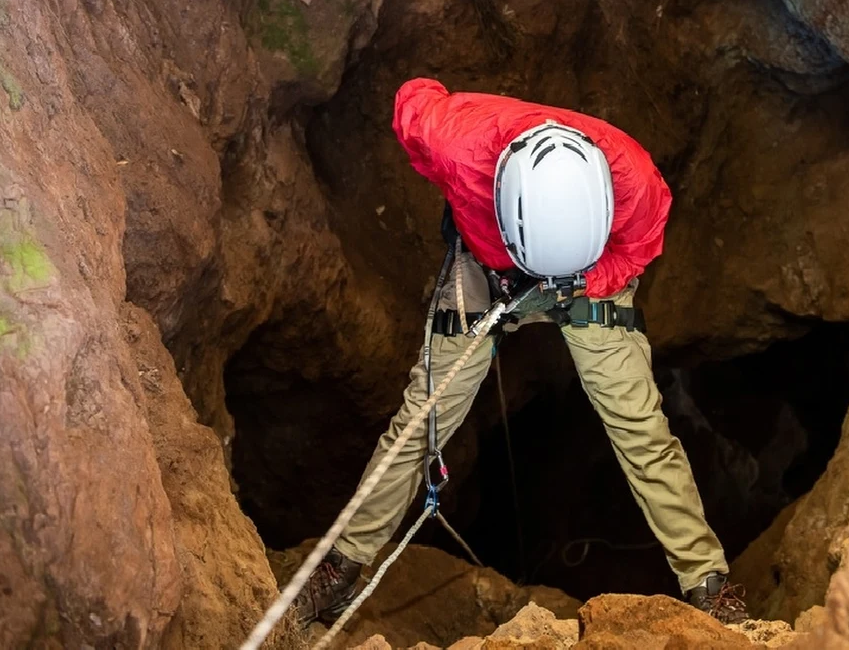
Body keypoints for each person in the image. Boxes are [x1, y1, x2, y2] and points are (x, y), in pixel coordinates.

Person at [292, 78, 745, 628]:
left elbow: (640, 247)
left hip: (589, 280)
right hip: (489, 272)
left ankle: (706, 581)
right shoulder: (456, 141)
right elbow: (412, 96)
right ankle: (342, 566)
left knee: (638, 425)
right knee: (421, 421)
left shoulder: (634, 181)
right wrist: (507, 276)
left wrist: (582, 278)